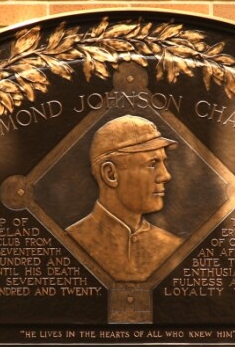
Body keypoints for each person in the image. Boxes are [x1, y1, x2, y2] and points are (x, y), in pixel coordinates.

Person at [66, 115, 183, 282]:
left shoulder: (173, 248)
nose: (166, 175)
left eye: (164, 162)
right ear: (110, 174)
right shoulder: (70, 242)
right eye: (152, 164)